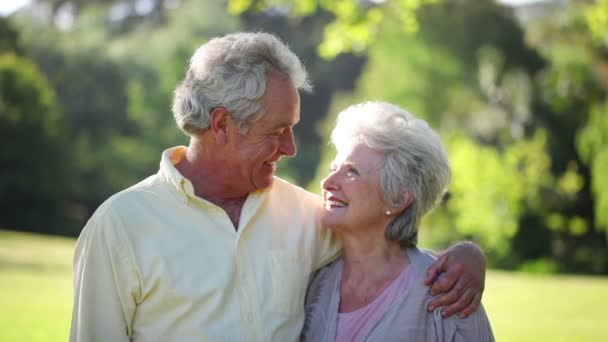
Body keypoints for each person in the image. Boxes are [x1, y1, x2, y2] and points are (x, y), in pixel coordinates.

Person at [70, 33, 486, 341]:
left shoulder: (307, 217)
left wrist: (468, 257)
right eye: (277, 131)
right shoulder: (121, 227)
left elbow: (384, 246)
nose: (289, 148)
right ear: (221, 125)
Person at [301, 101, 494, 341]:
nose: (327, 182)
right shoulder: (312, 280)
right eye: (333, 168)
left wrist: (470, 252)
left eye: (351, 171)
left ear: (398, 199)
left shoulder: (451, 293)